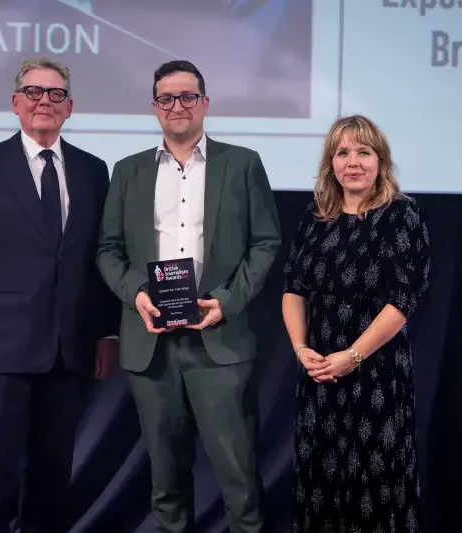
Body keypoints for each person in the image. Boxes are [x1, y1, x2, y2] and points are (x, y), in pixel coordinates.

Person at [96, 60, 282, 533]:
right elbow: (108, 250)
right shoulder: (128, 170)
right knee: (166, 487)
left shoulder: (242, 163)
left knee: (239, 483)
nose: (177, 106)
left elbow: (266, 243)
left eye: (187, 97)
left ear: (205, 103)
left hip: (219, 343)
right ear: (154, 106)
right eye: (166, 98)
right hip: (152, 344)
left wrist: (226, 300)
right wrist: (136, 292)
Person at [0, 57, 119, 533]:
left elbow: (98, 258)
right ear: (16, 103)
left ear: (69, 108)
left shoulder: (91, 170)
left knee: (50, 485)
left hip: (69, 352)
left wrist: (106, 332)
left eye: (56, 94)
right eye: (35, 92)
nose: (45, 101)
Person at [281, 115, 431, 532]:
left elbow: (403, 298)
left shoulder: (402, 216)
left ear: (380, 161)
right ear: (331, 164)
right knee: (321, 482)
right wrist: (300, 350)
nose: (353, 162)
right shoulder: (316, 217)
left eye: (364, 152)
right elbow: (293, 288)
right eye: (342, 153)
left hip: (377, 372)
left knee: (378, 483)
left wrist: (354, 355)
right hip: (320, 372)